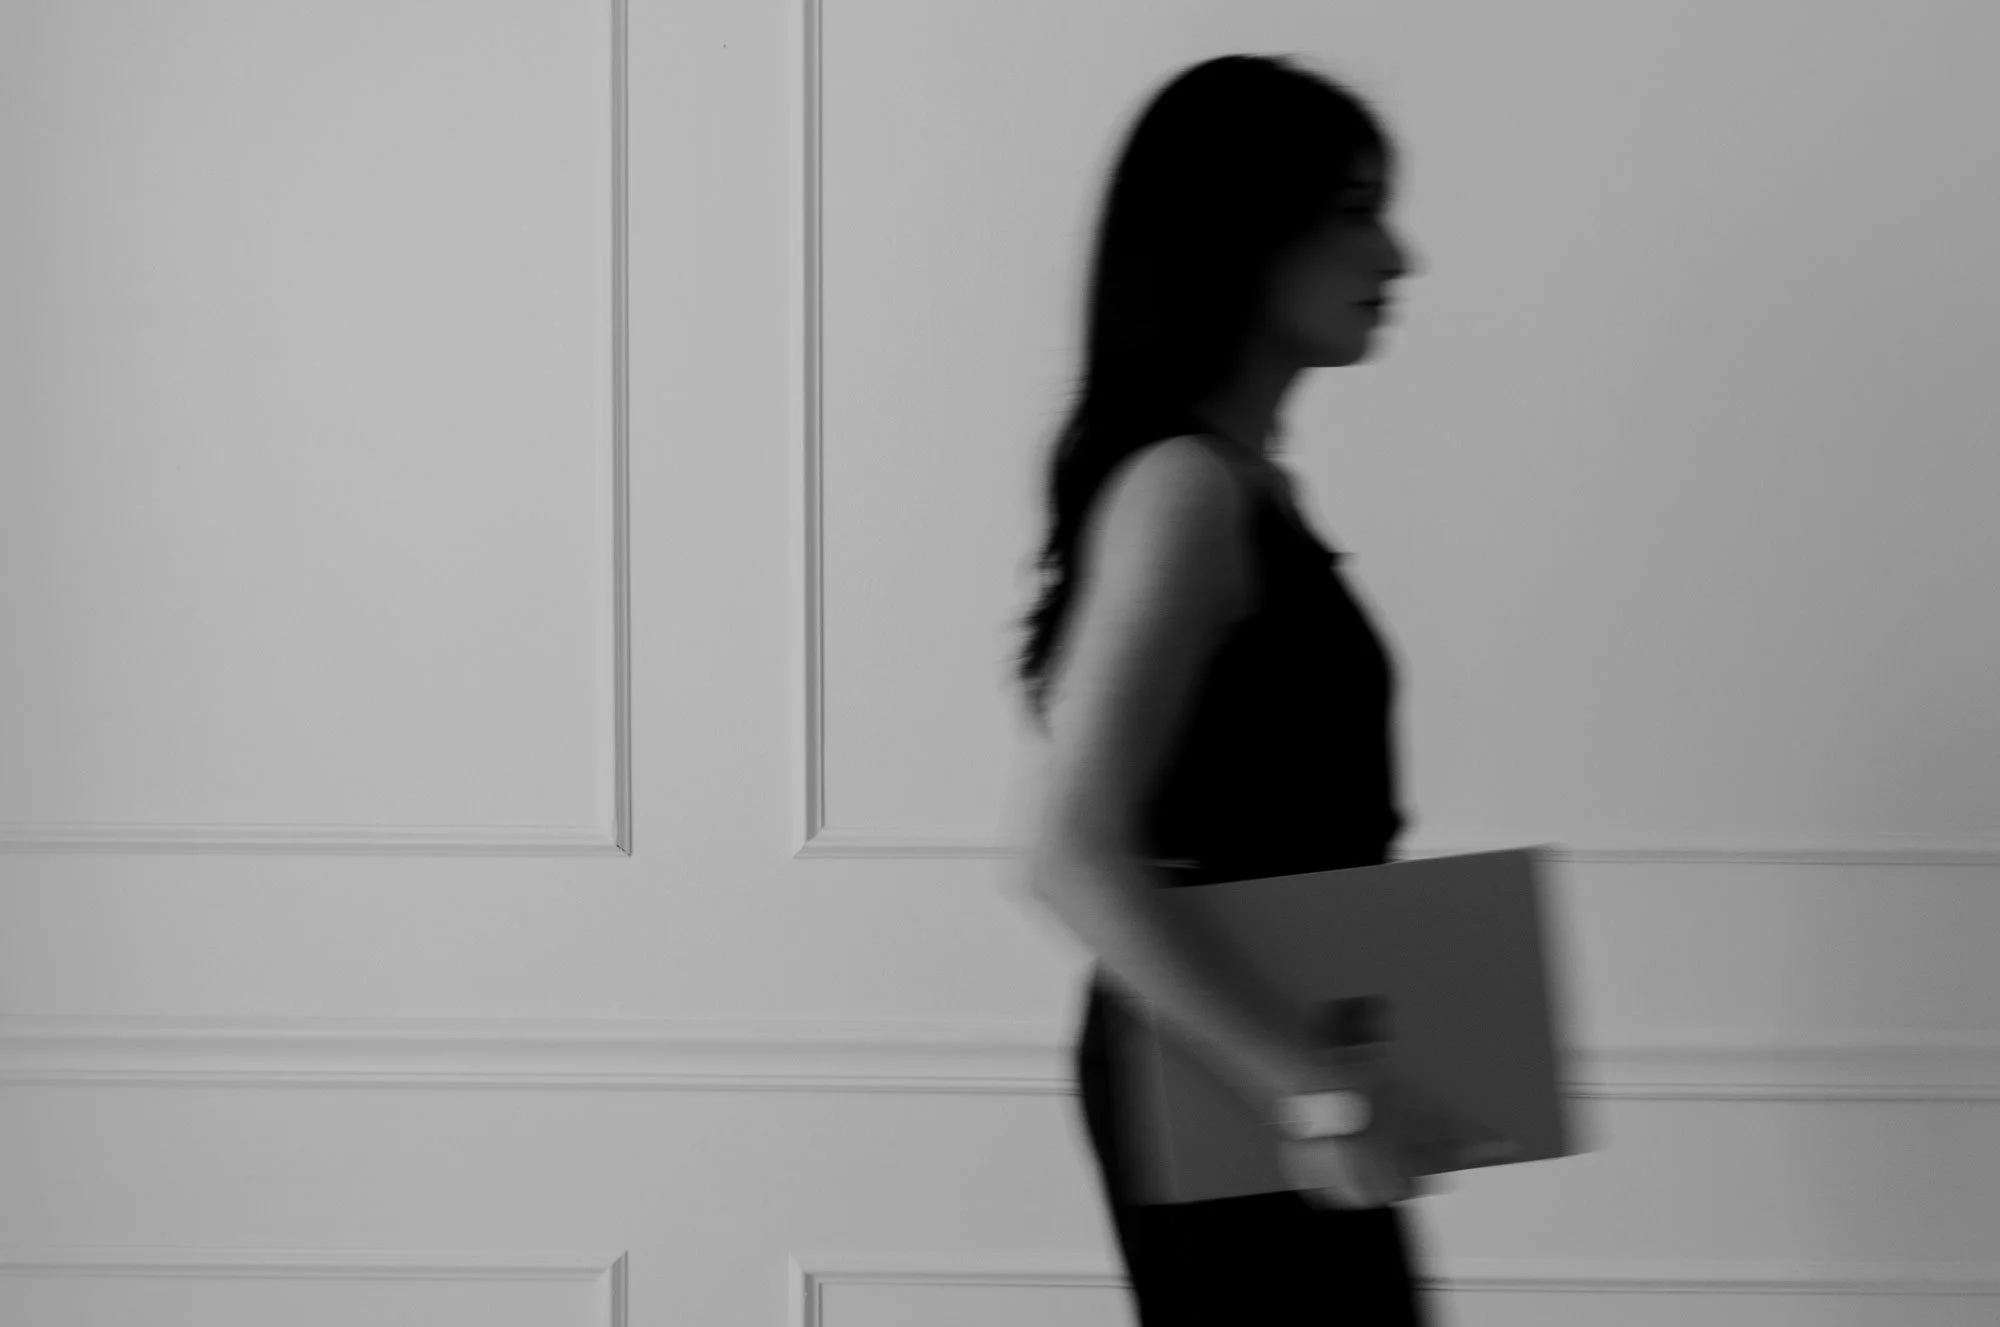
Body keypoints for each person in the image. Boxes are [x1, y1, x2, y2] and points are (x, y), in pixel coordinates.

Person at [1006, 55, 1484, 1323]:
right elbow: (1067, 856)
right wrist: (1318, 1094)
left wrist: (1328, 1085)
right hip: (1231, 1071)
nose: (1396, 255)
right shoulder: (1185, 492)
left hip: (1267, 1057)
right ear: (1237, 235)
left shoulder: (1234, 484)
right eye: (1353, 211)